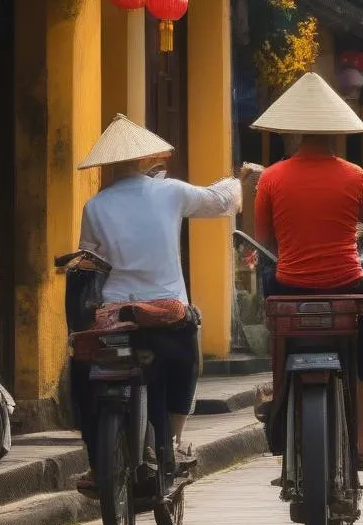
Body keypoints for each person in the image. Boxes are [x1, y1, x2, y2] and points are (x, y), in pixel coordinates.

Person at [72, 114, 242, 489]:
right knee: (186, 363)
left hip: (116, 316)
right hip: (165, 313)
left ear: (108, 165)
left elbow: (89, 260)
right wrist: (235, 181)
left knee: (90, 375)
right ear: (146, 160)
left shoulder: (95, 206)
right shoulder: (171, 192)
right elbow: (220, 203)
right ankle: (176, 442)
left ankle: (98, 464)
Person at [253, 72, 363, 471]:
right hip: (347, 283)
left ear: (295, 131)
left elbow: (265, 239)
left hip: (288, 286)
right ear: (336, 132)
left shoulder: (272, 176)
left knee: (278, 328)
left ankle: (277, 395)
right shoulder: (355, 175)